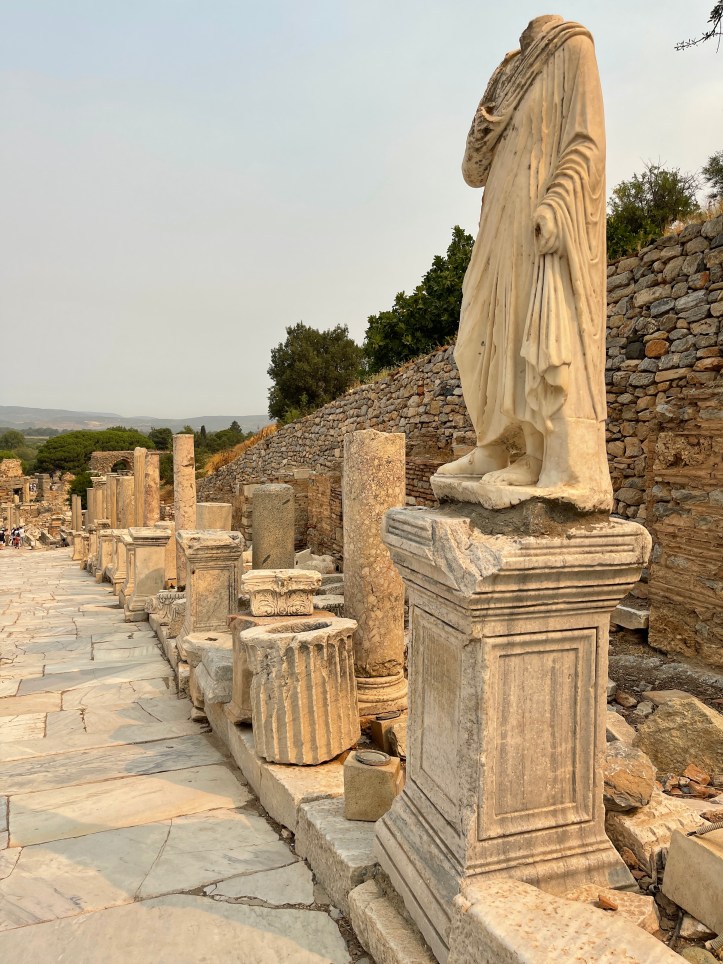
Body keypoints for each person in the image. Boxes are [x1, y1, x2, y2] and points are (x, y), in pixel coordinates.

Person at [434, 15, 611, 512]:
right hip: (497, 218)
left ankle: (534, 453)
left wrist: (558, 200)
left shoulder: (572, 46)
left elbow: (587, 141)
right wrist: (485, 125)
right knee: (480, 331)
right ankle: (493, 444)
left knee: (525, 328)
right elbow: (472, 172)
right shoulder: (507, 72)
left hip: (538, 210)